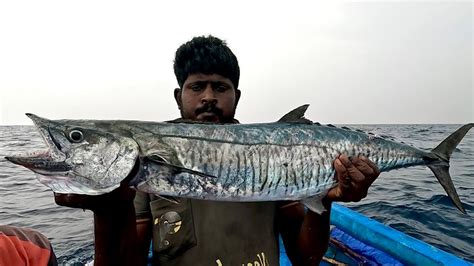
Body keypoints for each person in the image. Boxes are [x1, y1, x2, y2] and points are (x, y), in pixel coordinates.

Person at [55, 35, 380, 266]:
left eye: (220, 87)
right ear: (178, 95)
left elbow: (306, 258)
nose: (208, 97)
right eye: (197, 86)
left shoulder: (271, 158)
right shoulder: (144, 169)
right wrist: (108, 211)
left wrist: (323, 196)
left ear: (236, 96)